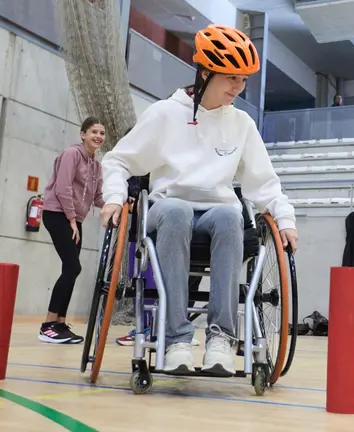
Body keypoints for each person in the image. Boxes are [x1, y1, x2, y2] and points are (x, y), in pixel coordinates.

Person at [99, 24, 298, 377]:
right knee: (175, 210)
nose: (238, 88)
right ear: (206, 72)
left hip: (215, 215)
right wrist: (114, 197)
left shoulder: (242, 124)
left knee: (229, 215)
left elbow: (263, 183)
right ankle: (176, 339)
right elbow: (118, 160)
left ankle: (221, 339)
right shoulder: (164, 114)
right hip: (168, 209)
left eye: (244, 80)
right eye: (231, 78)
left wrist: (284, 219)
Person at [39, 116, 105, 344]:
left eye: (102, 133)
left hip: (74, 219)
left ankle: (59, 323)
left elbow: (97, 197)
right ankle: (47, 326)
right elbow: (63, 187)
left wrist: (120, 204)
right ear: (83, 134)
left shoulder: (96, 165)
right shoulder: (71, 154)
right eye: (94, 131)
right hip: (58, 214)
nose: (98, 136)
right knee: (73, 266)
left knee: (71, 269)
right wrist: (71, 219)